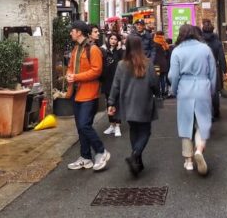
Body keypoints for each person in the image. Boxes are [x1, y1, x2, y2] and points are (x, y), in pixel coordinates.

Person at [108, 35, 160, 176]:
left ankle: (137, 160)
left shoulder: (121, 64)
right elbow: (154, 83)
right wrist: (158, 93)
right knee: (145, 131)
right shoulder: (147, 63)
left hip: (127, 102)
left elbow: (116, 85)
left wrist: (111, 102)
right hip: (144, 102)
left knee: (134, 130)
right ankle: (135, 155)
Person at [169, 23, 216, 176]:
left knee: (185, 124)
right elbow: (213, 72)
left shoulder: (177, 51)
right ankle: (199, 150)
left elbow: (173, 76)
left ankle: (188, 161)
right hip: (203, 87)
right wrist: (211, 90)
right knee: (202, 123)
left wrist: (174, 90)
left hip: (185, 88)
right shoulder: (205, 49)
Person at [65, 20, 110, 171]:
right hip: (76, 93)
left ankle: (101, 151)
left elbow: (96, 70)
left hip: (89, 93)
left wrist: (76, 77)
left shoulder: (93, 49)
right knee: (80, 127)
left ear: (78, 32)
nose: (70, 32)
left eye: (72, 30)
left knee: (84, 125)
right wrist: (69, 75)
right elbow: (70, 67)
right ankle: (85, 157)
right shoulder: (76, 49)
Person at [201, 20, 227, 120]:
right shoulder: (217, 42)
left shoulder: (200, 42)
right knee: (215, 91)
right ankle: (216, 111)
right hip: (214, 68)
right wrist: (225, 70)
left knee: (203, 90)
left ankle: (205, 112)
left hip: (202, 68)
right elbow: (221, 57)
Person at [101, 32, 124, 137]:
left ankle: (118, 126)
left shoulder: (120, 52)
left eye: (115, 39)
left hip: (117, 82)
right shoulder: (104, 51)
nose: (113, 41)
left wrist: (119, 49)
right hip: (107, 82)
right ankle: (111, 125)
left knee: (117, 104)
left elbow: (123, 61)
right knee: (109, 104)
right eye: (111, 39)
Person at [153, 31, 170, 98]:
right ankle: (163, 93)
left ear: (156, 35)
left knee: (157, 79)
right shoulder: (164, 43)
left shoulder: (154, 42)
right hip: (163, 63)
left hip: (156, 63)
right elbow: (167, 53)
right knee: (163, 79)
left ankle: (158, 93)